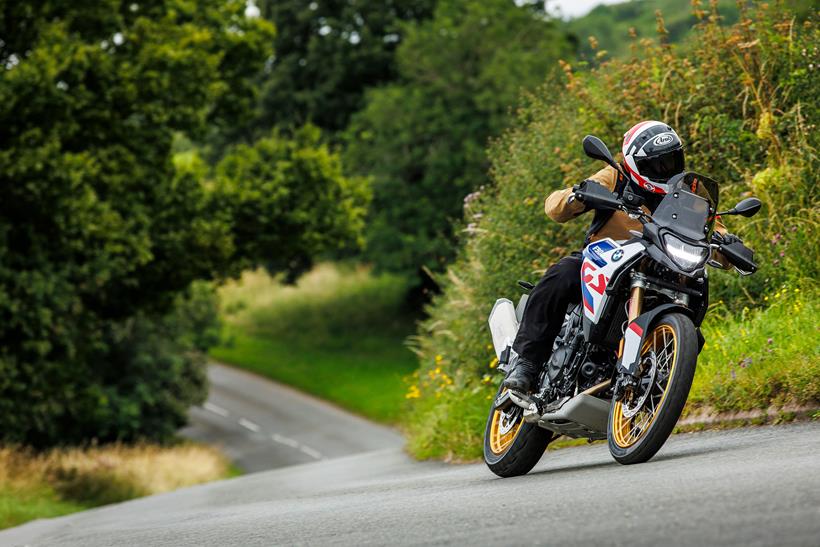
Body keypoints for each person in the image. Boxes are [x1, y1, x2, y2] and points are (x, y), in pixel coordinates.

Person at [504, 120, 726, 393]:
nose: (664, 170)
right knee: (561, 274)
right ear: (634, 163)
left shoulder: (690, 193)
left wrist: (728, 243)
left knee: (695, 299)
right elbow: (555, 207)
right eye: (655, 164)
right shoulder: (616, 176)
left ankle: (656, 382)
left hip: (666, 267)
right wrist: (577, 196)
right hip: (606, 261)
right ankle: (527, 362)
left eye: (671, 161)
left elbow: (712, 226)